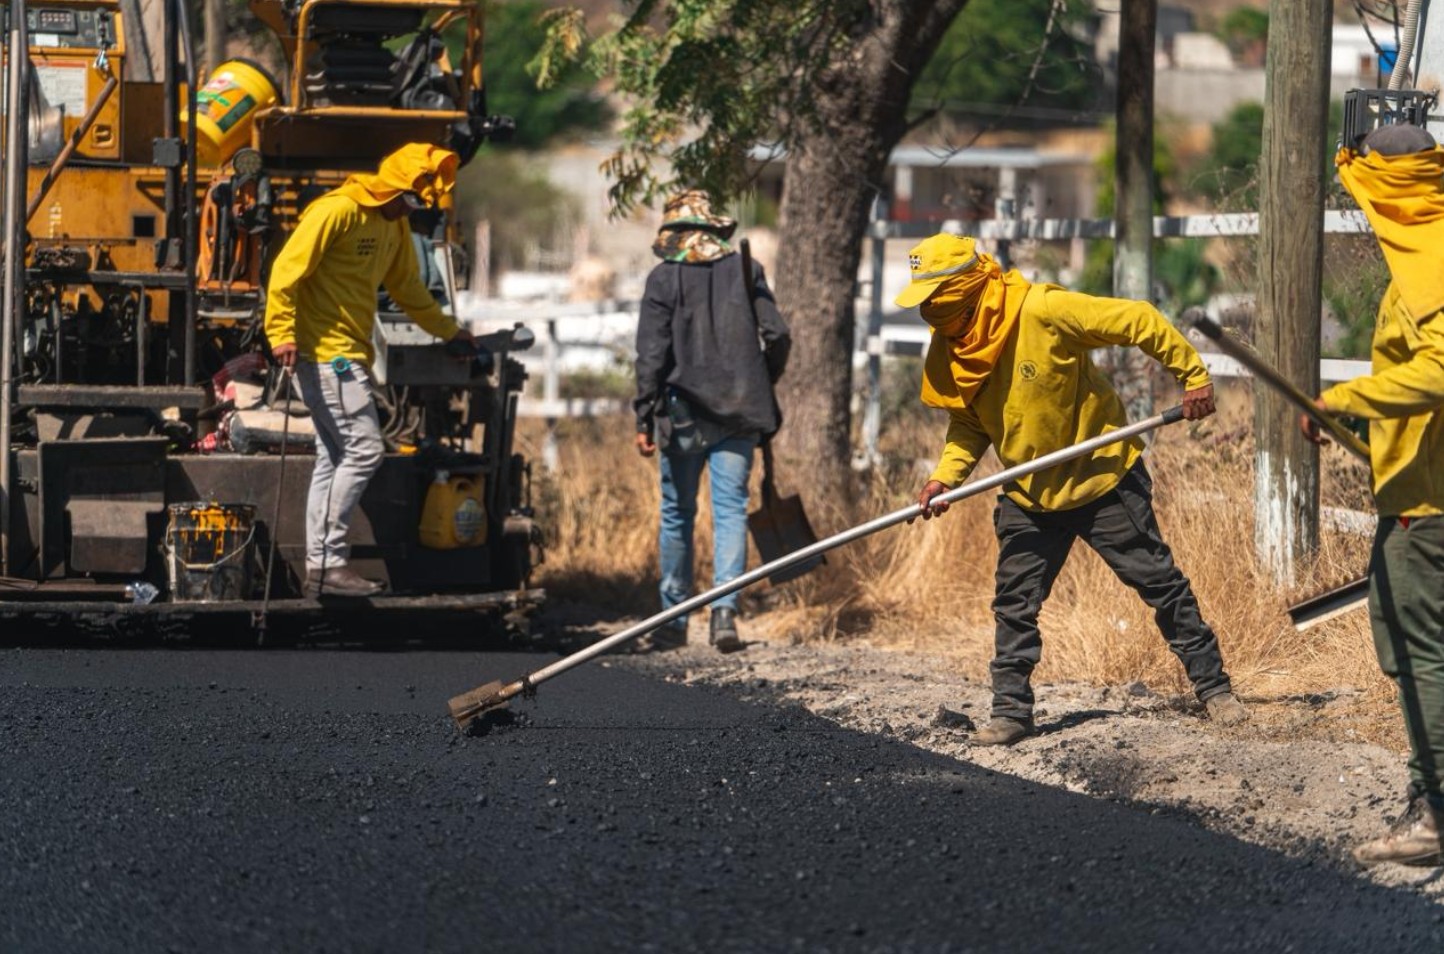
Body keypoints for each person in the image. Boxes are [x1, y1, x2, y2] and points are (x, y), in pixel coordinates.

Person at [901, 233, 1248, 745]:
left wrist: (1193, 376)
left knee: (1160, 584)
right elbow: (970, 424)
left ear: (964, 290)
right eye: (925, 304)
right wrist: (944, 477)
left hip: (1102, 479)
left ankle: (1215, 690)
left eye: (935, 300)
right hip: (1028, 494)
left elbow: (1140, 319)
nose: (929, 313)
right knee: (1014, 604)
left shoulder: (1043, 310)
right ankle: (1011, 713)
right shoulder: (957, 348)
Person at [1309, 122, 1444, 867]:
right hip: (1414, 491)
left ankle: (1436, 816)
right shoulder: (1421, 253)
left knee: (1421, 653)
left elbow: (1440, 370)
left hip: (1430, 504)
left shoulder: (1433, 257)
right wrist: (1350, 415)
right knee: (1412, 644)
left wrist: (1348, 397)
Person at [264, 142, 474, 598]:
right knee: (364, 450)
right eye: (410, 199)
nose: (411, 210)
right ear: (393, 187)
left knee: (334, 457)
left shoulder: (393, 227)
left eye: (419, 204)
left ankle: (322, 566)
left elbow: (408, 288)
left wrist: (449, 331)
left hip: (347, 354)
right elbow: (286, 271)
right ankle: (328, 564)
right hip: (325, 355)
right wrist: (281, 332)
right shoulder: (336, 211)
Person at [633, 190, 791, 652]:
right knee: (730, 511)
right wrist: (761, 379)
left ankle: (673, 620)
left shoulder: (664, 278)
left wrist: (643, 416)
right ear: (714, 228)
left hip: (681, 414)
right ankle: (724, 615)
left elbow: (651, 355)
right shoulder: (745, 269)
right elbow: (778, 334)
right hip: (741, 411)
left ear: (673, 232)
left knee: (677, 513)